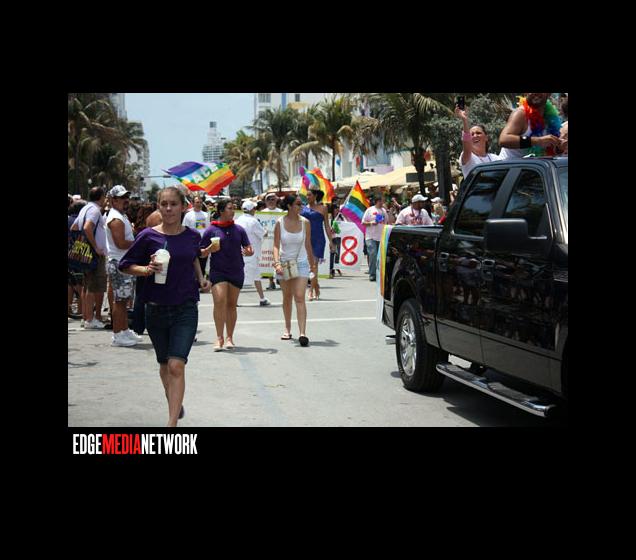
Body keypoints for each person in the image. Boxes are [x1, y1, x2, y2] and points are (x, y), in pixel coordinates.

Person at [119, 187, 211, 427]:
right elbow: (125, 265)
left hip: (185, 308)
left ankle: (171, 425)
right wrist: (146, 269)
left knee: (176, 365)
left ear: (183, 207)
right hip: (155, 308)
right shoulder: (147, 236)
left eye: (173, 204)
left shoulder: (192, 236)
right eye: (164, 204)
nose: (169, 209)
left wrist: (201, 279)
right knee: (164, 365)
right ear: (158, 207)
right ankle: (175, 402)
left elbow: (193, 257)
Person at [200, 199, 254, 351]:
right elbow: (201, 253)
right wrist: (209, 249)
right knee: (219, 301)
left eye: (233, 208)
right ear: (221, 211)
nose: (233, 211)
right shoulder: (211, 230)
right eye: (230, 208)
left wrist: (249, 251)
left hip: (236, 271)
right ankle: (219, 337)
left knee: (231, 305)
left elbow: (248, 248)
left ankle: (230, 337)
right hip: (218, 271)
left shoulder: (239, 229)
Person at [273, 195, 315, 347]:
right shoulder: (279, 222)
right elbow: (276, 245)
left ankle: (302, 333)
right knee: (287, 297)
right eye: (298, 204)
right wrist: (277, 263)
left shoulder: (305, 222)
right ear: (289, 206)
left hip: (301, 262)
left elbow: (308, 244)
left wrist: (312, 263)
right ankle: (287, 328)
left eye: (301, 204)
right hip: (285, 263)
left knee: (299, 296)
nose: (301, 206)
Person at [104, 185, 140, 347]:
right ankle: (118, 335)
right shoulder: (115, 219)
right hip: (119, 263)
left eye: (126, 197)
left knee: (124, 300)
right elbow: (120, 243)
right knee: (120, 301)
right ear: (113, 201)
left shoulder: (121, 215)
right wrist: (138, 243)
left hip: (123, 262)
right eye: (121, 198)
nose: (126, 200)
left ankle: (124, 330)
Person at [71, 186, 108, 329]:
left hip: (86, 253)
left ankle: (86, 317)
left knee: (87, 286)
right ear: (101, 197)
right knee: (94, 286)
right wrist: (95, 246)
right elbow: (87, 227)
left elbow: (74, 228)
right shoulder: (94, 210)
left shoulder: (85, 208)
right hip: (94, 254)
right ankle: (90, 319)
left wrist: (80, 244)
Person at [499, 93, 562, 158]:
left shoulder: (551, 117)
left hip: (535, 164)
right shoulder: (520, 113)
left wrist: (559, 148)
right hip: (509, 163)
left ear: (549, 94)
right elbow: (504, 139)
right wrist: (538, 141)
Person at [301, 189, 335, 300]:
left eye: (310, 195)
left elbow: (327, 225)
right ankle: (316, 286)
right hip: (305, 239)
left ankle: (310, 290)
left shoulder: (323, 208)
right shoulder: (302, 208)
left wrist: (331, 241)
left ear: (315, 196)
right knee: (308, 266)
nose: (307, 197)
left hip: (318, 239)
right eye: (306, 195)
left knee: (314, 265)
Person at [235, 200, 270, 306]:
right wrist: (266, 231)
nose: (255, 210)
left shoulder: (237, 220)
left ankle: (262, 298)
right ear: (251, 210)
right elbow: (263, 234)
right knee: (242, 278)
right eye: (254, 208)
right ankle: (234, 300)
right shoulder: (253, 221)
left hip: (241, 252)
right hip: (252, 253)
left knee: (255, 276)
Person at [455, 104, 503, 177]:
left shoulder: (495, 158)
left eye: (478, 133)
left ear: (486, 137)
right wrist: (464, 120)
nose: (475, 136)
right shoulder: (468, 157)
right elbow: (466, 143)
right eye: (472, 134)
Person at [362, 194, 392, 282]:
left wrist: (390, 212)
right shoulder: (369, 210)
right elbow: (363, 222)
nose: (383, 202)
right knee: (373, 254)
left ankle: (380, 274)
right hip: (370, 237)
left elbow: (388, 222)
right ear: (377, 201)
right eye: (381, 201)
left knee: (381, 257)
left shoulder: (384, 211)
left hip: (381, 237)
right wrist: (371, 223)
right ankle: (372, 274)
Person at [182, 195, 211, 282]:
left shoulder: (206, 215)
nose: (199, 204)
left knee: (202, 264)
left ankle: (200, 283)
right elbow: (184, 229)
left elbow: (208, 229)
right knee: (192, 263)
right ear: (193, 203)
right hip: (192, 243)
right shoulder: (188, 215)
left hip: (203, 243)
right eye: (197, 202)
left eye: (201, 202)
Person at [68, 200, 86, 319]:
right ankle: (81, 309)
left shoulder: (68, 219)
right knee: (80, 282)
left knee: (69, 282)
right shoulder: (81, 221)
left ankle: (69, 308)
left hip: (69, 252)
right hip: (79, 254)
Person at [328, 196, 342, 278]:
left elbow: (343, 226)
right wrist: (331, 229)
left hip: (338, 237)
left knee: (338, 253)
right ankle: (331, 269)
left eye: (338, 208)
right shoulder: (329, 217)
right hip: (331, 237)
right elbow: (326, 226)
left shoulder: (340, 217)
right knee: (332, 253)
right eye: (336, 208)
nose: (337, 210)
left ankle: (336, 267)